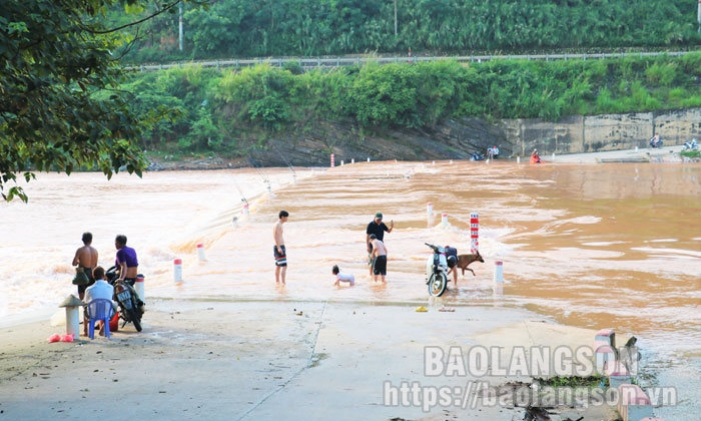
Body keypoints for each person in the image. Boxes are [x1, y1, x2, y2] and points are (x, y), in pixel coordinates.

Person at [84, 266, 116, 336]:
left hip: (93, 314)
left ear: (93, 276)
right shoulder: (110, 287)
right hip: (107, 313)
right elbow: (111, 299)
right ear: (103, 276)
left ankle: (87, 331)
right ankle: (103, 329)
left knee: (85, 308)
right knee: (114, 306)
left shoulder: (89, 289)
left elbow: (85, 302)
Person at [72, 232, 98, 300]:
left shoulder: (80, 250)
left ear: (82, 239)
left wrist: (79, 262)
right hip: (93, 272)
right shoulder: (95, 251)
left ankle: (84, 308)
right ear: (91, 240)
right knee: (91, 292)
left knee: (82, 293)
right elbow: (96, 265)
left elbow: (74, 263)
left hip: (83, 273)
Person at [274, 210, 289, 284]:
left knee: (278, 265)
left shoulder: (279, 224)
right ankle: (283, 282)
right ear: (282, 217)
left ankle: (277, 281)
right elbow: (275, 236)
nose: (287, 219)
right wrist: (279, 247)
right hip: (279, 246)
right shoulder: (278, 224)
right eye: (286, 217)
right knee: (284, 265)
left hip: (279, 246)